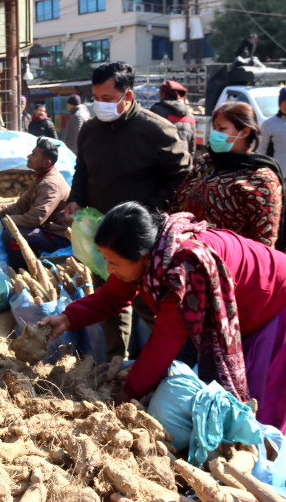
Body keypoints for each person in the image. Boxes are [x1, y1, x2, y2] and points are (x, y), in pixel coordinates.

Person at [39, 201, 286, 433]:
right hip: (240, 304)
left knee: (259, 405)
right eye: (106, 261)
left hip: (279, 299)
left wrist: (126, 394)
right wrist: (68, 319)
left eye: (114, 263)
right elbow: (113, 295)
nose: (109, 269)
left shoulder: (184, 271)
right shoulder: (148, 251)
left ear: (144, 258)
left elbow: (164, 343)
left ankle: (260, 463)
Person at [64, 61, 191, 360]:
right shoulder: (91, 130)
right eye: (96, 98)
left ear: (128, 97)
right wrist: (76, 197)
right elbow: (82, 168)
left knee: (150, 306)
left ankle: (169, 366)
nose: (100, 105)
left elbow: (183, 176)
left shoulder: (156, 130)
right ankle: (116, 362)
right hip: (103, 233)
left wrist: (150, 215)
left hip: (144, 239)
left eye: (107, 99)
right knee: (109, 300)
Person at [171, 101, 286, 252]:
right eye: (215, 129)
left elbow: (264, 241)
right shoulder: (206, 162)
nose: (215, 134)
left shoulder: (261, 178)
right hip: (186, 256)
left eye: (222, 129)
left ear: (245, 132)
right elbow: (177, 205)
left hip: (231, 263)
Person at [0, 137, 71, 270]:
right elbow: (19, 206)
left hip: (57, 235)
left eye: (34, 154)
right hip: (46, 228)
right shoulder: (40, 179)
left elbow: (35, 218)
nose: (29, 156)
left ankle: (22, 270)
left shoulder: (50, 184)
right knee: (9, 227)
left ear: (46, 162)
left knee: (11, 234)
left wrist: (5, 221)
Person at [150, 80, 196, 156]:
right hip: (182, 163)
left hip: (161, 162)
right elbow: (192, 146)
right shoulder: (190, 116)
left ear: (163, 94)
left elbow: (149, 139)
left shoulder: (156, 111)